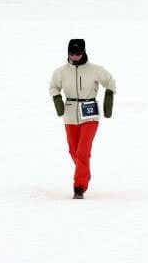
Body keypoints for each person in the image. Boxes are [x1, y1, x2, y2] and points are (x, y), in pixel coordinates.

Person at [48, 38, 116, 199]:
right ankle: (85, 173)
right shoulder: (60, 72)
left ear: (84, 52)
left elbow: (110, 82)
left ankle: (79, 187)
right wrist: (57, 98)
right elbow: (53, 86)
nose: (75, 56)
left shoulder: (95, 70)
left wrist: (109, 98)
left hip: (89, 112)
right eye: (72, 53)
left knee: (82, 150)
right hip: (70, 113)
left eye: (78, 53)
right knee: (74, 150)